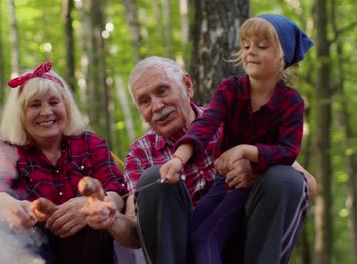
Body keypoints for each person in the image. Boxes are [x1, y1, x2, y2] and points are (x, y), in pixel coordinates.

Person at [82, 54, 317, 264]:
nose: (157, 106)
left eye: (162, 91)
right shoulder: (140, 153)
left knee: (284, 177)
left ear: (187, 85)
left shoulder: (230, 122)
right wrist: (112, 220)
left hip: (246, 245)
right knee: (155, 176)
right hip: (180, 253)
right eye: (145, 101)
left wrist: (258, 169)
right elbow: (136, 232)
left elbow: (307, 185)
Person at [159, 14, 313, 264]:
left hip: (256, 184)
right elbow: (205, 125)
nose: (251, 52)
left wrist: (245, 150)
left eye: (261, 46)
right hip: (225, 182)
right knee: (192, 235)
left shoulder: (291, 103)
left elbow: (288, 151)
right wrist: (178, 160)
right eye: (246, 45)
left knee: (207, 238)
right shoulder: (231, 89)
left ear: (283, 57)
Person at [0, 61, 127, 264]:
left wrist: (97, 204)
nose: (46, 112)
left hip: (90, 254)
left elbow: (118, 190)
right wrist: (17, 209)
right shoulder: (7, 152)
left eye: (54, 102)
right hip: (33, 252)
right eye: (35, 105)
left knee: (94, 218)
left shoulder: (90, 143)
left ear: (67, 107)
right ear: (20, 115)